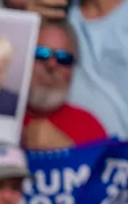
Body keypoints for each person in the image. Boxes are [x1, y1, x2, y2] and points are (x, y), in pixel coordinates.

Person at [23, 20, 106, 149]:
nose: (51, 65)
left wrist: (66, 150)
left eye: (63, 58)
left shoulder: (89, 127)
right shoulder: (1, 115)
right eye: (41, 53)